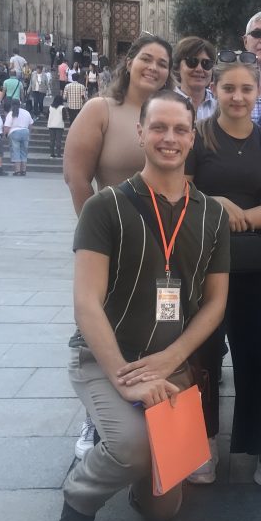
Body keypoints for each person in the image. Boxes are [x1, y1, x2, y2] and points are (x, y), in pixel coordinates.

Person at [57, 90, 230, 521]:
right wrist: (124, 376)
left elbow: (215, 303)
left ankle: (136, 478)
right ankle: (79, 498)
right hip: (103, 359)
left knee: (164, 510)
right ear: (140, 133)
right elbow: (86, 303)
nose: (168, 138)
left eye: (179, 129)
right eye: (158, 127)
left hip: (170, 365)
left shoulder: (212, 213)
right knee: (133, 447)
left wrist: (173, 358)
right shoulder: (105, 207)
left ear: (192, 138)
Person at [185, 53, 261, 500]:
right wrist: (217, 205)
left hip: (250, 265)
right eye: (229, 88)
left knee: (255, 356)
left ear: (258, 93)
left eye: (246, 89)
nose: (237, 97)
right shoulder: (198, 137)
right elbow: (181, 188)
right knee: (204, 357)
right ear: (214, 88)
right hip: (200, 263)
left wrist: (236, 215)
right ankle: (204, 444)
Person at [63, 34, 175, 456]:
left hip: (163, 246)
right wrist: (96, 238)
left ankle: (154, 408)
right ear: (129, 62)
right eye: (146, 58)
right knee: (102, 325)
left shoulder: (166, 113)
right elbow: (77, 178)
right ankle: (97, 416)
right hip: (113, 244)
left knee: (154, 327)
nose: (153, 67)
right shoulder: (101, 110)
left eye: (162, 62)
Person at [172, 37, 216, 121]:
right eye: (192, 62)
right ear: (178, 67)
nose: (199, 69)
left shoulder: (222, 105)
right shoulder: (164, 103)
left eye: (206, 63)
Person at [4, 99, 33, 176]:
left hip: (14, 133)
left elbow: (7, 126)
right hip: (25, 132)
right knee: (24, 151)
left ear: (11, 105)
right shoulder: (26, 112)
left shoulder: (11, 113)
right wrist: (28, 132)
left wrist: (4, 134)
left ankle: (17, 171)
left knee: (16, 151)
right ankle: (23, 170)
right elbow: (30, 125)